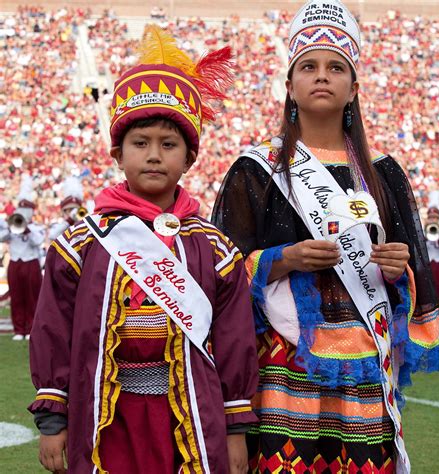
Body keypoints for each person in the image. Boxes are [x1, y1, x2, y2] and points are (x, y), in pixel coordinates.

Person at [212, 1, 439, 472]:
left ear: (353, 87)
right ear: (290, 85)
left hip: (365, 360)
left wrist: (399, 268)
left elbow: (412, 269)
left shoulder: (384, 174)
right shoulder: (256, 171)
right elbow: (222, 270)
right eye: (309, 66)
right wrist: (287, 258)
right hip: (285, 359)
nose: (322, 75)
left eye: (336, 67)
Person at [28, 26, 258, 473]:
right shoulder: (81, 243)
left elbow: (234, 340)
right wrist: (54, 419)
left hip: (189, 414)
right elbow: (52, 328)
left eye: (168, 144)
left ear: (189, 158)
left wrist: (235, 430)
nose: (154, 155)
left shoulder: (214, 249)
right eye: (140, 143)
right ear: (117, 153)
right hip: (105, 415)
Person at [0, 175, 45, 340]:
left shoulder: (36, 228)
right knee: (17, 297)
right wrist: (12, 229)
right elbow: (2, 237)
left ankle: (32, 328)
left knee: (32, 297)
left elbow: (38, 241)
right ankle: (19, 329)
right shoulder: (11, 225)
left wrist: (27, 230)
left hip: (30, 263)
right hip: (15, 263)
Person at [48, 176, 86, 242]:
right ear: (64, 211)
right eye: (70, 209)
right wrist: (69, 221)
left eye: (74, 208)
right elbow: (52, 235)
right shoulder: (59, 223)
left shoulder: (82, 221)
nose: (72, 211)